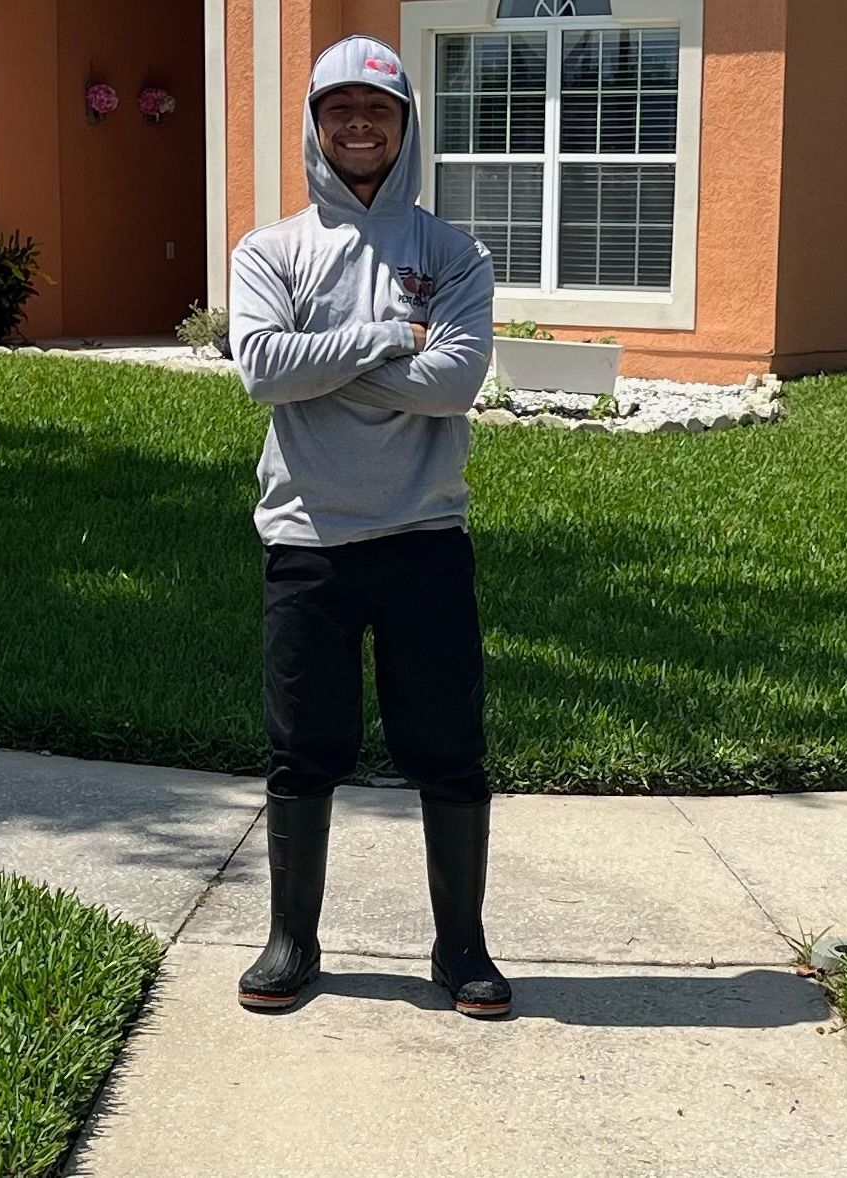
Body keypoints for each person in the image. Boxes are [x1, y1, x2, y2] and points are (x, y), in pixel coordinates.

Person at [228, 34, 510, 1019]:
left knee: (447, 745)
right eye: (338, 109)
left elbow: (457, 380)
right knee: (302, 745)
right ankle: (290, 938)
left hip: (424, 537)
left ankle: (461, 944)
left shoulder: (451, 252)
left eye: (376, 110)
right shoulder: (269, 250)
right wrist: (392, 335)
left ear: (404, 126)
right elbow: (262, 368)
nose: (357, 125)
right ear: (314, 126)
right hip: (306, 539)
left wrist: (326, 363)